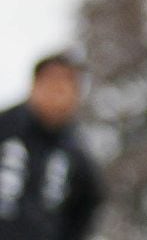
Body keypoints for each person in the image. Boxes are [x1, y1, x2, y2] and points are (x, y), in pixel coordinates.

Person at [0, 52, 105, 240]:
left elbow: (88, 204)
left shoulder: (76, 153)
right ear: (35, 85)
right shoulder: (5, 128)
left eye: (67, 86)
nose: (58, 93)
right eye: (52, 83)